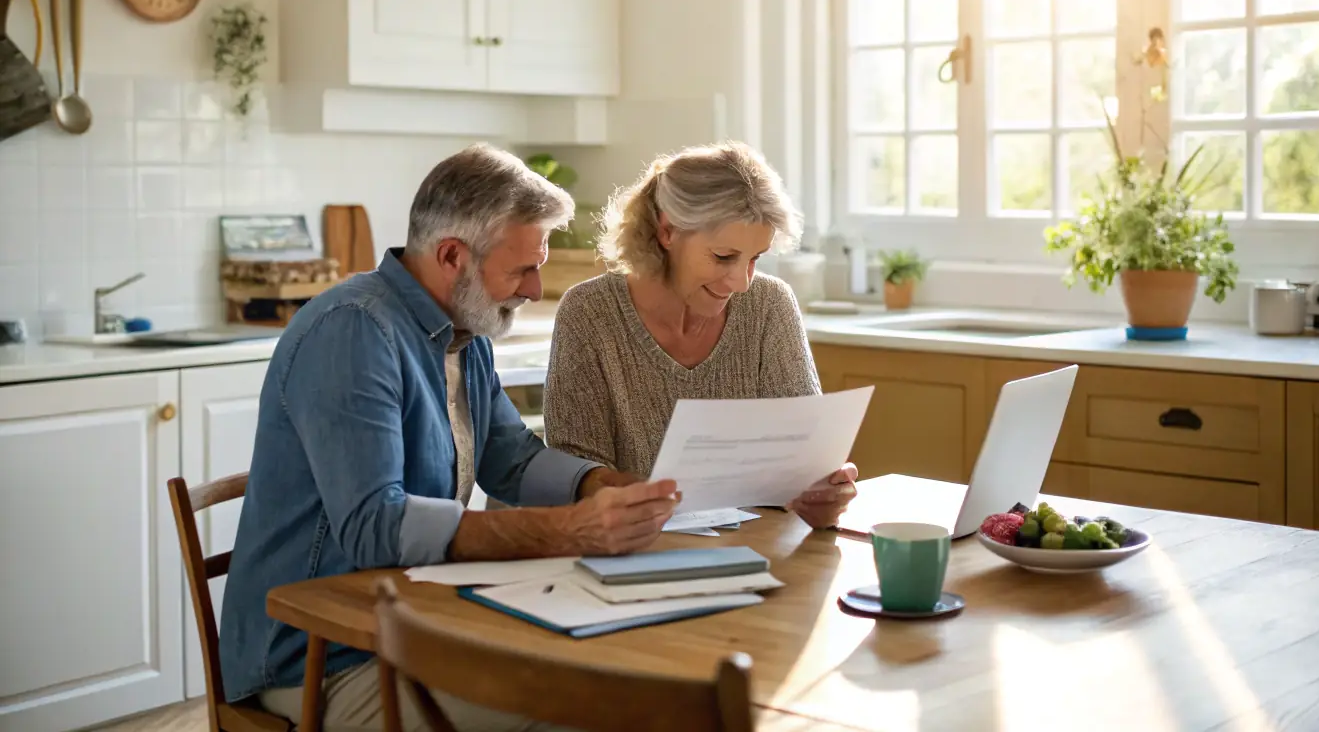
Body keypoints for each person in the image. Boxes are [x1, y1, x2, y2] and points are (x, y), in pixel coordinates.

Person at [219, 145, 677, 732]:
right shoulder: (354, 332)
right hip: (317, 660)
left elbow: (510, 461)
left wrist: (603, 484)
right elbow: (375, 528)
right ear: (453, 256)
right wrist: (570, 529)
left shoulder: (466, 331)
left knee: (614, 672)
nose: (536, 290)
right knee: (583, 710)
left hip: (411, 623)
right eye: (522, 270)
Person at [542, 142, 857, 530]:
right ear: (667, 231)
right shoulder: (590, 313)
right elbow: (577, 475)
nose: (741, 283)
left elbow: (806, 459)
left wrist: (823, 493)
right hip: (639, 555)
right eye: (724, 257)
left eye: (755, 258)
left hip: (766, 549)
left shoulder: (769, 305)